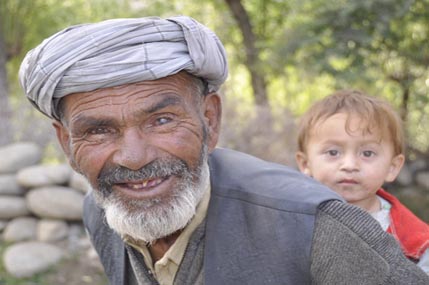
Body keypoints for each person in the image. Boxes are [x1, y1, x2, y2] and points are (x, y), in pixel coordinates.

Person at [19, 16, 429, 285]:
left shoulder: (317, 226)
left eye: (161, 121)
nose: (133, 156)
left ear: (209, 120)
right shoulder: (101, 210)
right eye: (99, 131)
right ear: (66, 144)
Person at [295, 89, 429, 275]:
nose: (349, 165)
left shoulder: (418, 243)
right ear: (305, 163)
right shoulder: (290, 221)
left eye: (367, 153)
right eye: (333, 152)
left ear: (392, 167)